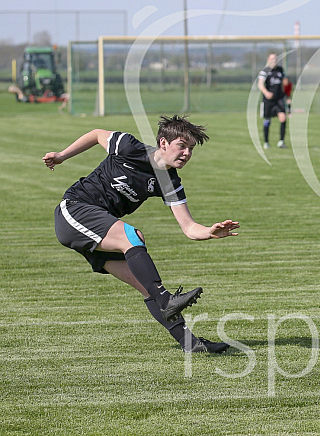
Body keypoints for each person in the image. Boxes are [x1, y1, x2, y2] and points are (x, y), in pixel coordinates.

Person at [43, 115, 240, 353]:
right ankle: (167, 300)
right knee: (133, 236)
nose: (187, 154)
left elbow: (189, 228)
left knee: (147, 286)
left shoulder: (170, 182)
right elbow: (96, 134)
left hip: (97, 228)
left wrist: (209, 232)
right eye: (182, 146)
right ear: (163, 143)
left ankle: (190, 343)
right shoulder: (128, 146)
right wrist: (62, 156)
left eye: (191, 149)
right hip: (74, 210)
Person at [257, 53, 289, 149]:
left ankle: (281, 141)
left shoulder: (280, 70)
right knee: (267, 120)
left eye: (275, 58)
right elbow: (260, 84)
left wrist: (286, 96)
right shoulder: (265, 71)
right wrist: (266, 92)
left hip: (279, 99)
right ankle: (266, 142)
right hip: (268, 100)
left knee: (283, 118)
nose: (274, 60)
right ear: (268, 59)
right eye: (272, 58)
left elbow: (284, 84)